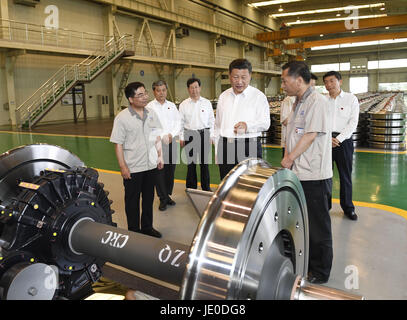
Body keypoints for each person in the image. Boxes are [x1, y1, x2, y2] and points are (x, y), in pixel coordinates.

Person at [280, 61, 333, 284]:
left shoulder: (316, 101)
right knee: (302, 222)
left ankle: (320, 272)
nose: (282, 85)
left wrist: (289, 158)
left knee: (318, 225)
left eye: (284, 80)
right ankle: (306, 263)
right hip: (298, 173)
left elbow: (310, 135)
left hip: (314, 175)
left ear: (298, 80)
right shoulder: (296, 102)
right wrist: (287, 157)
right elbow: (292, 133)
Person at [110, 82, 163, 238]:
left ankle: (147, 227)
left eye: (145, 93)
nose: (145, 97)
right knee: (132, 201)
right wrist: (123, 167)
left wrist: (160, 156)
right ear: (131, 99)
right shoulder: (122, 118)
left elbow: (157, 136)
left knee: (148, 199)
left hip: (150, 165)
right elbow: (118, 144)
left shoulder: (152, 113)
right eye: (140, 95)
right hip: (133, 167)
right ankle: (133, 231)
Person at [214, 58, 270, 180]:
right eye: (235, 77)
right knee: (226, 183)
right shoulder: (223, 96)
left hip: (249, 146)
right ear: (229, 76)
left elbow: (266, 123)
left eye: (243, 77)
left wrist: (247, 126)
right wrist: (218, 152)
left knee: (249, 184)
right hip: (226, 145)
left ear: (250, 76)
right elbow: (218, 125)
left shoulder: (258, 97)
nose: (239, 81)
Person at [323, 71, 359, 221]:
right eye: (326, 82)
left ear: (340, 81)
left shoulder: (351, 99)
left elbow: (353, 123)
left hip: (343, 142)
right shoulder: (322, 100)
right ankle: (325, 207)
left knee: (345, 176)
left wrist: (338, 139)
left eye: (332, 81)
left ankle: (348, 208)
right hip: (324, 141)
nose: (329, 85)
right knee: (325, 176)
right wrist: (326, 138)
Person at [147, 80, 181, 211]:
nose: (161, 93)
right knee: (159, 171)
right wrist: (160, 137)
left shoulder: (172, 106)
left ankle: (168, 195)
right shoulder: (149, 107)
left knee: (170, 170)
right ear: (154, 92)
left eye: (163, 90)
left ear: (166, 91)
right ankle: (162, 198)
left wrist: (172, 135)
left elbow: (178, 123)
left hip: (171, 142)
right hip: (157, 143)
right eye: (158, 90)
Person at [179, 78, 215, 191]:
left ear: (200, 88)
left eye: (196, 87)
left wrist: (211, 136)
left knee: (205, 164)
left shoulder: (207, 103)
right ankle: (191, 188)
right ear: (188, 89)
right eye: (191, 87)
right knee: (191, 164)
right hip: (190, 135)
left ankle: (206, 188)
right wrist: (181, 137)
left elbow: (212, 121)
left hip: (204, 134)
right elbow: (180, 122)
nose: (194, 90)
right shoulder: (184, 104)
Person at [280, 74, 318, 157]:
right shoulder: (289, 100)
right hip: (291, 142)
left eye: (314, 85)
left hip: (305, 143)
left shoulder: (315, 101)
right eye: (311, 85)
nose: (313, 89)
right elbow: (285, 121)